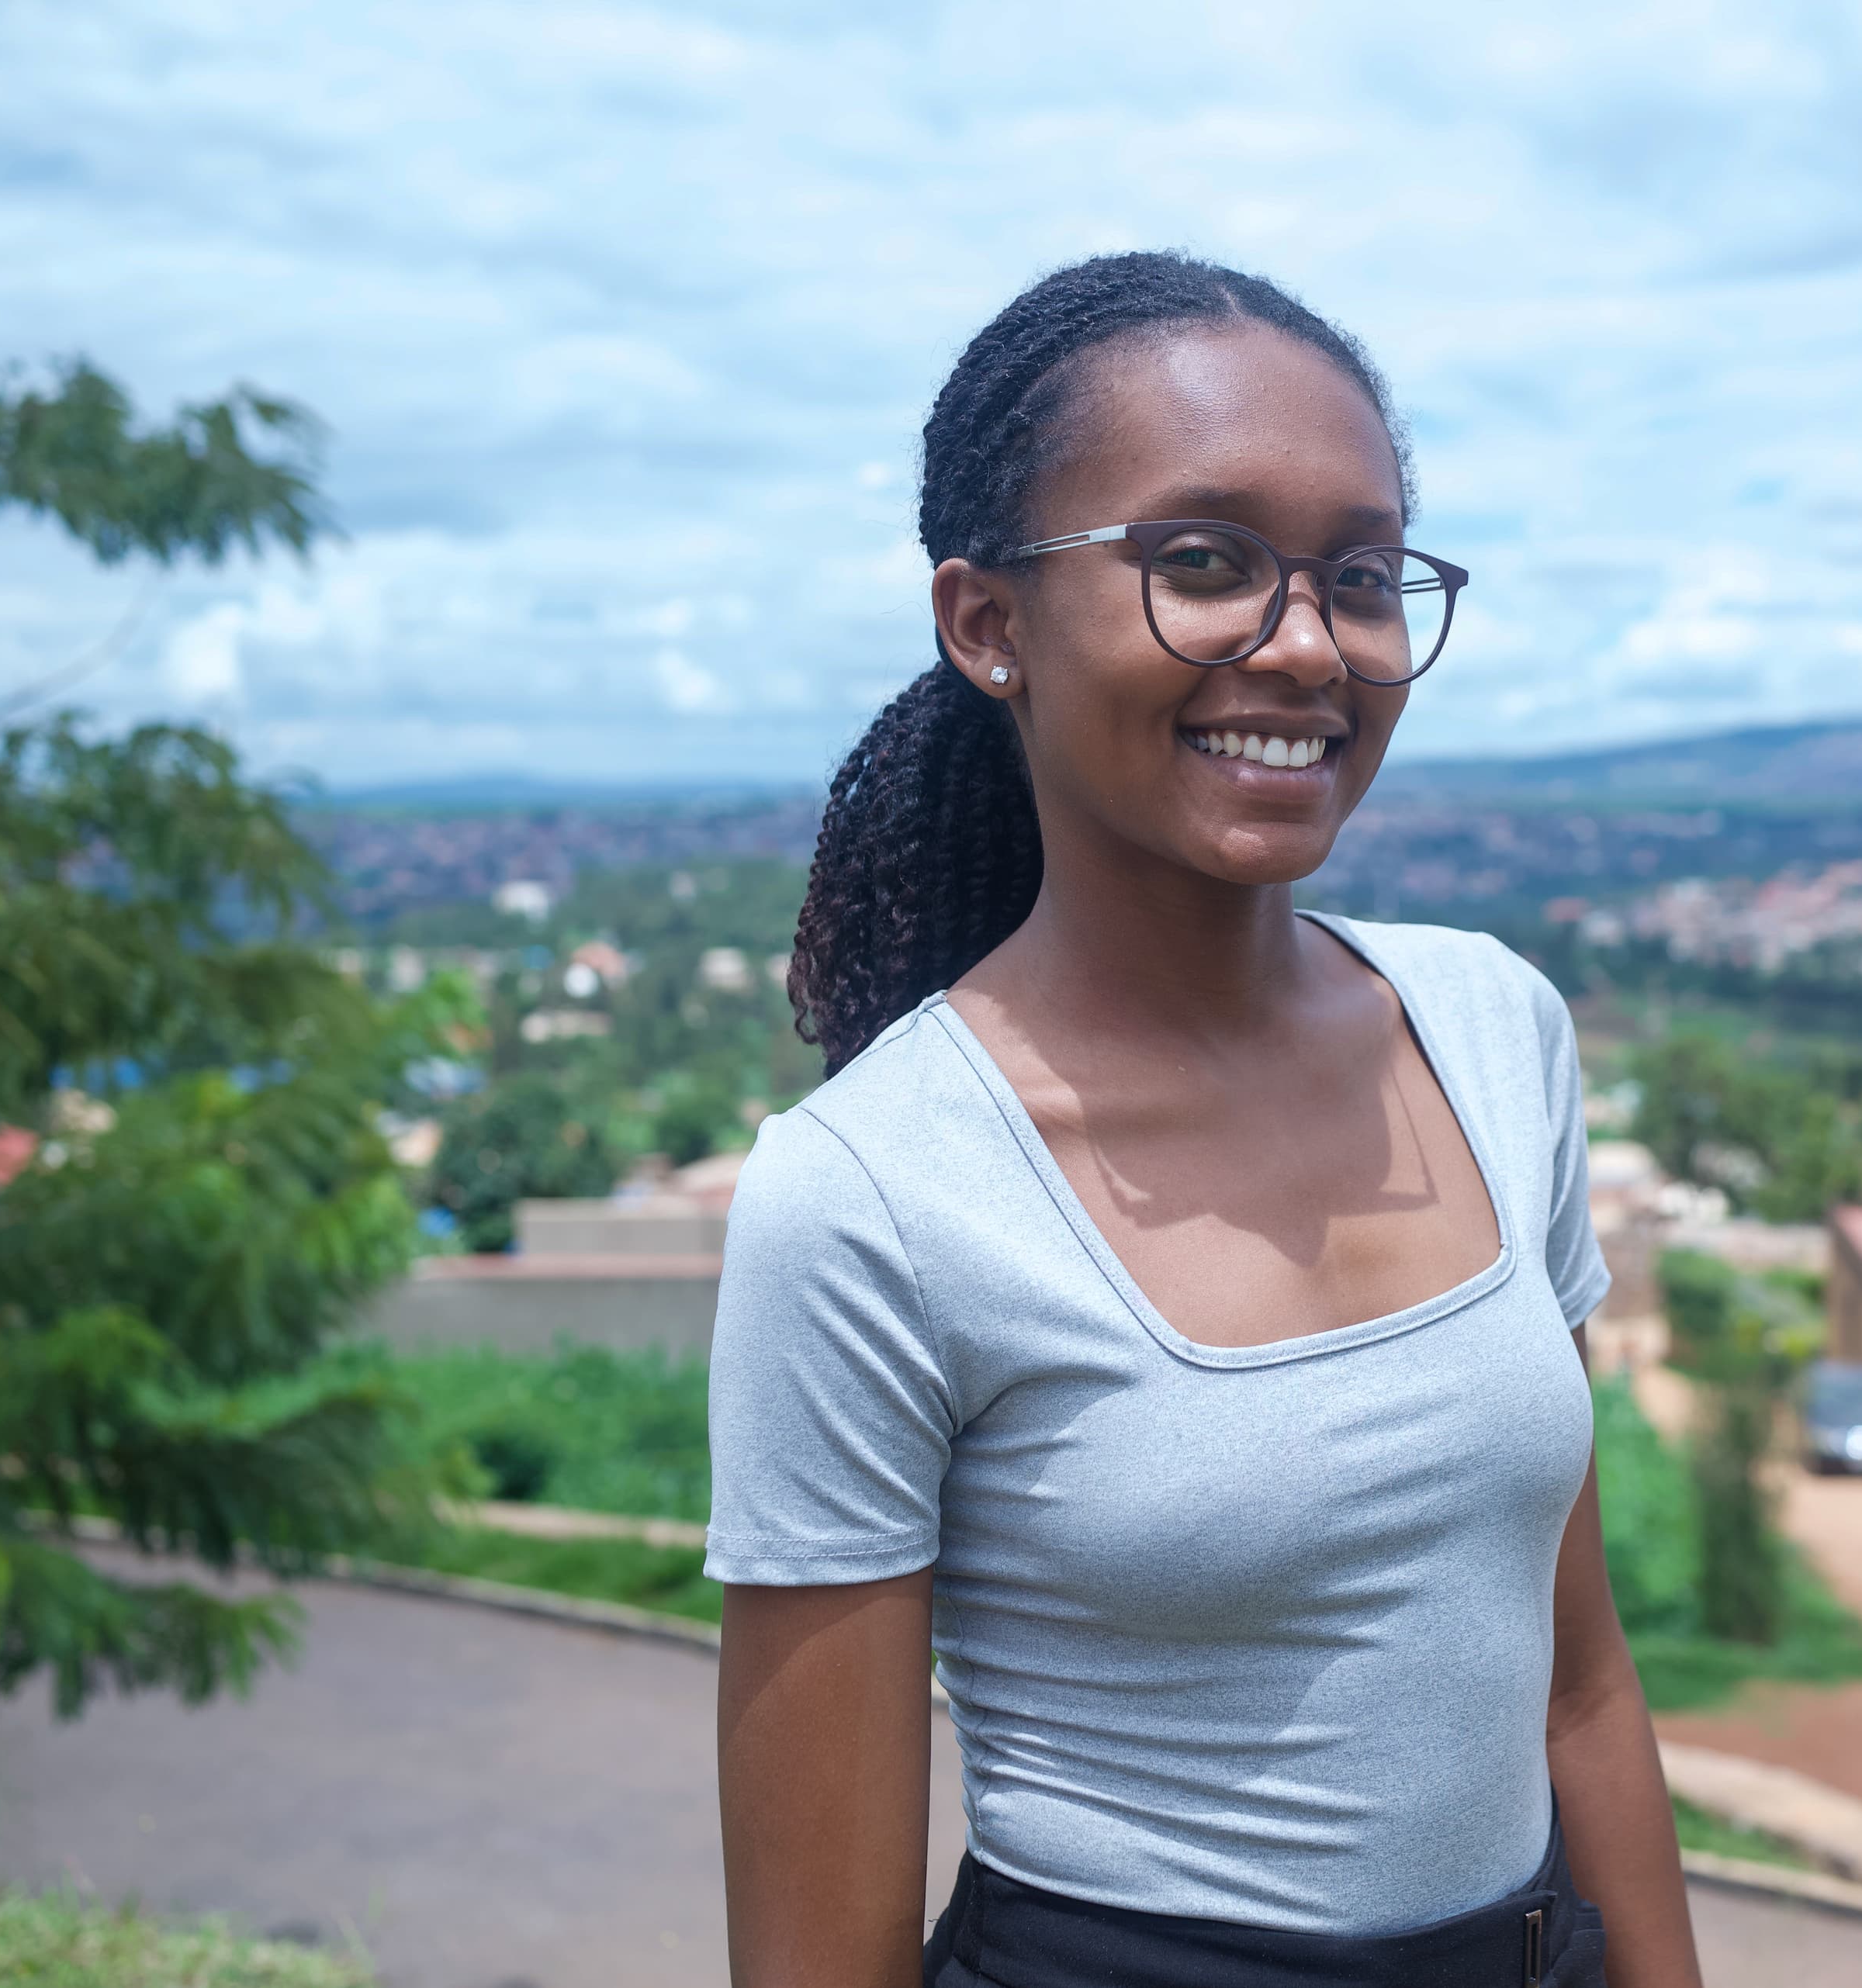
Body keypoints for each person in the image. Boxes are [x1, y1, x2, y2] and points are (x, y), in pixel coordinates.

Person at [708, 251, 1701, 1988]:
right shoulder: (870, 1193)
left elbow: (1581, 1685)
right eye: (1202, 563)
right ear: (988, 624)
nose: (1309, 642)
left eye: (1364, 574)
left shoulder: (1490, 1030)